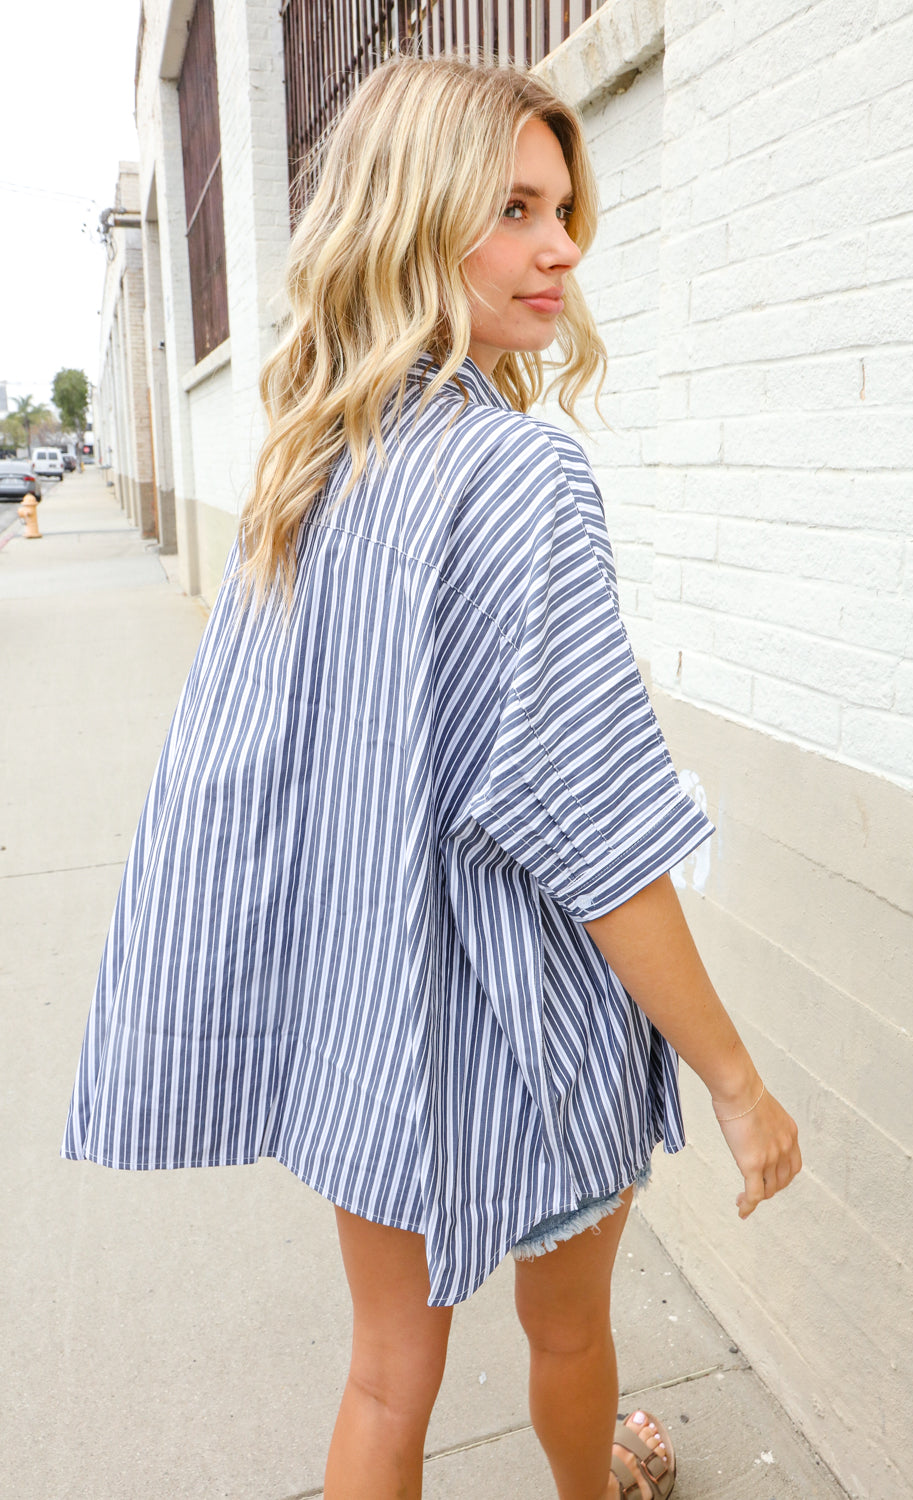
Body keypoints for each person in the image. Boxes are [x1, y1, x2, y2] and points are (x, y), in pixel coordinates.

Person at [62, 56, 801, 1500]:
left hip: (372, 1031)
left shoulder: (310, 468)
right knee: (569, 1335)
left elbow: (247, 777)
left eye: (565, 207)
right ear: (412, 218)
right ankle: (602, 1488)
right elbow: (592, 827)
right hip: (532, 1036)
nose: (562, 248)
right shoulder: (521, 478)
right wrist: (735, 1077)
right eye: (515, 208)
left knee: (387, 1377)